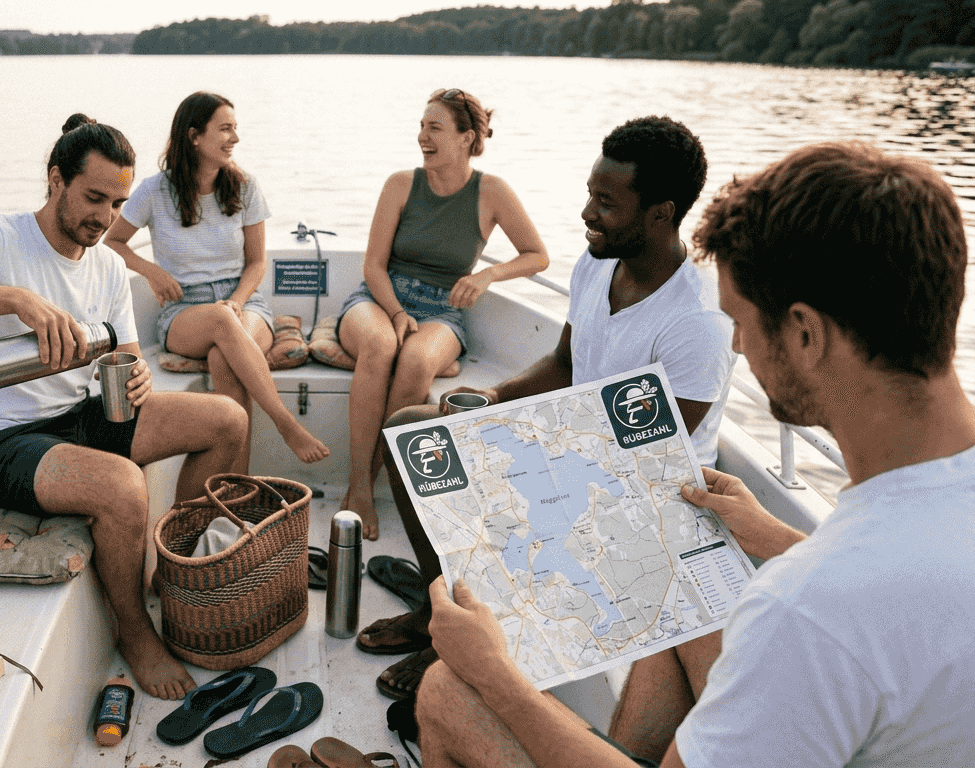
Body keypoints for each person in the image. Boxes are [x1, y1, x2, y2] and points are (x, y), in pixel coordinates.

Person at [418, 141, 975, 767]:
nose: (733, 343)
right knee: (679, 610)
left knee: (446, 691)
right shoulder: (864, 563)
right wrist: (778, 537)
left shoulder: (807, 610)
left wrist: (497, 676)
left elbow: (839, 609)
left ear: (805, 334)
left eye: (739, 322)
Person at [358, 116, 735, 703]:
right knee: (413, 432)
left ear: (661, 213)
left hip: (649, 492)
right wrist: (493, 400)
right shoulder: (597, 264)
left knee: (493, 485)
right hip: (575, 447)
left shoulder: (697, 321)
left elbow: (654, 455)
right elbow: (565, 362)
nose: (587, 213)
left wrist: (523, 451)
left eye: (606, 203)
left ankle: (465, 628)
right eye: (590, 193)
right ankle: (443, 606)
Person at [0, 114, 249, 700]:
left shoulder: (106, 264)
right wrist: (16, 299)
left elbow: (128, 358)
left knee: (226, 419)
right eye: (93, 197)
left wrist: (136, 378)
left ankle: (178, 577)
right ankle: (134, 633)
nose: (105, 218)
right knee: (123, 486)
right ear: (56, 180)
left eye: (118, 203)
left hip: (80, 416)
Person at [338, 88, 550, 540]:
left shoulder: (491, 191)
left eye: (434, 128)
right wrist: (395, 313)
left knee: (414, 362)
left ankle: (378, 477)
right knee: (380, 345)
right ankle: (358, 487)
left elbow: (536, 256)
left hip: (443, 311)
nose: (422, 137)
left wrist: (488, 275)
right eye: (421, 126)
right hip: (379, 298)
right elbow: (373, 265)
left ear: (465, 137)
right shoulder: (401, 183)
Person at [104, 92, 327, 471]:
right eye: (225, 129)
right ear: (194, 136)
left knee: (224, 358)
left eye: (235, 129)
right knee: (222, 323)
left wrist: (238, 301)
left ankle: (234, 487)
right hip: (183, 310)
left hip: (244, 302)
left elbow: (257, 263)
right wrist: (152, 271)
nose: (235, 138)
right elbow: (111, 241)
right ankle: (285, 422)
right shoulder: (154, 191)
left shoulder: (245, 186)